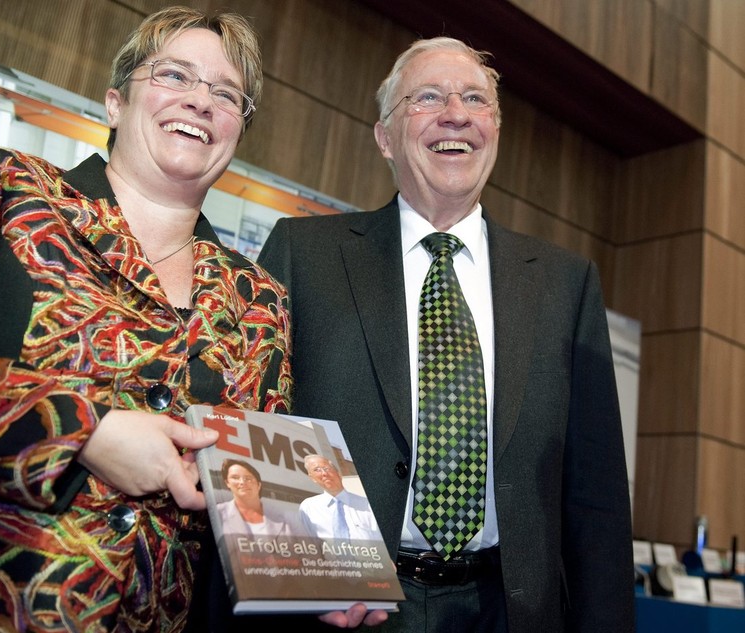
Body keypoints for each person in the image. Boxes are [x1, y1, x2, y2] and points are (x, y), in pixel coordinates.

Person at [0, 6, 291, 632]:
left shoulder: (259, 299)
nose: (201, 102)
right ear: (116, 103)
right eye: (175, 76)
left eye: (226, 94)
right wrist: (82, 432)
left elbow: (257, 488)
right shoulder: (0, 191)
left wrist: (318, 582)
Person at [258, 36, 634, 632]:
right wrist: (297, 580)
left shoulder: (566, 284)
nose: (455, 113)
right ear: (384, 137)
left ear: (495, 131)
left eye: (475, 100)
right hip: (341, 607)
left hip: (508, 611)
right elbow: (261, 424)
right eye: (427, 97)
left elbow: (597, 494)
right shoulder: (305, 255)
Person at [298, 454, 382, 542]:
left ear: (338, 473)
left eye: (326, 468)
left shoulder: (367, 504)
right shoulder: (308, 507)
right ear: (312, 478)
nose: (324, 473)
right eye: (317, 470)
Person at [217, 458, 296, 537]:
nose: (242, 482)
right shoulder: (217, 513)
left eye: (248, 478)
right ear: (227, 483)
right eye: (235, 477)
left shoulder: (285, 518)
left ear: (259, 485)